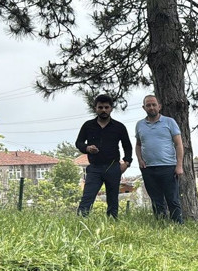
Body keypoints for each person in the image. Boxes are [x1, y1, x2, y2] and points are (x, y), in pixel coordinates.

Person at [75, 94, 133, 218]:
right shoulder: (88, 125)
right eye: (100, 107)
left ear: (111, 108)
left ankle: (112, 223)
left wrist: (126, 163)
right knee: (87, 197)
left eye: (106, 107)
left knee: (113, 200)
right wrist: (87, 148)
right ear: (95, 108)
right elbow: (78, 143)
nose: (103, 110)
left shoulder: (119, 127)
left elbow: (127, 146)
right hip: (94, 168)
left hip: (113, 167)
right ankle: (80, 222)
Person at [135, 94, 184, 223]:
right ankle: (161, 225)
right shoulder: (140, 125)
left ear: (159, 106)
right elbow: (138, 145)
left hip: (168, 167)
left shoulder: (169, 122)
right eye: (148, 105)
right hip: (148, 169)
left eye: (154, 105)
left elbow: (179, 144)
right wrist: (140, 159)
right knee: (156, 200)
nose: (151, 107)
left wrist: (179, 165)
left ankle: (178, 226)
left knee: (172, 199)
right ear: (144, 107)